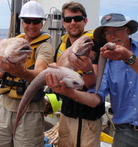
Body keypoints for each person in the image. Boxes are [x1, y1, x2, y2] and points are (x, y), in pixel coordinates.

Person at [47, 13, 138, 147]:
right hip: (124, 135)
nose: (112, 36)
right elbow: (95, 98)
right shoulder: (107, 62)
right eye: (107, 33)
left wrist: (127, 58)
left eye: (117, 30)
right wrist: (70, 92)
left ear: (128, 30)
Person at [0, 1, 53, 147]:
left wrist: (21, 71)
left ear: (42, 23)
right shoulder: (11, 44)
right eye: (27, 21)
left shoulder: (45, 47)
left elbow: (40, 75)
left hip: (30, 112)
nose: (31, 25)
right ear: (21, 22)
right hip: (4, 108)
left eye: (36, 21)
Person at [46, 2, 105, 147]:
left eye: (77, 18)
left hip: (88, 117)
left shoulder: (95, 45)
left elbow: (93, 84)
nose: (73, 23)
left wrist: (87, 69)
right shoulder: (61, 46)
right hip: (66, 112)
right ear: (63, 23)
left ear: (85, 21)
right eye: (68, 19)